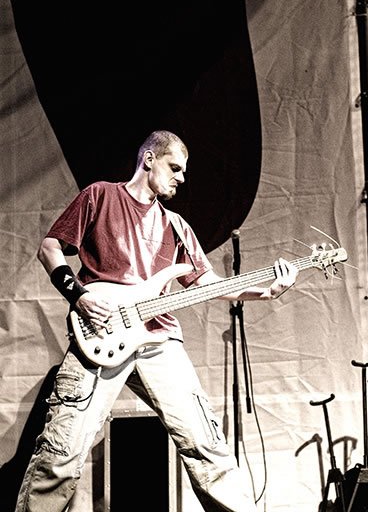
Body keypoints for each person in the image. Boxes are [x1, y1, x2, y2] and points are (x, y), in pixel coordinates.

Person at [16, 129, 298, 512]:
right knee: (61, 452)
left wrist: (265, 292)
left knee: (206, 445)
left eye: (183, 172)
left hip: (159, 340)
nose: (181, 178)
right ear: (149, 159)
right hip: (100, 335)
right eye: (175, 167)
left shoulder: (176, 225)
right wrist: (78, 296)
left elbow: (208, 284)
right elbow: (50, 247)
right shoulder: (100, 196)